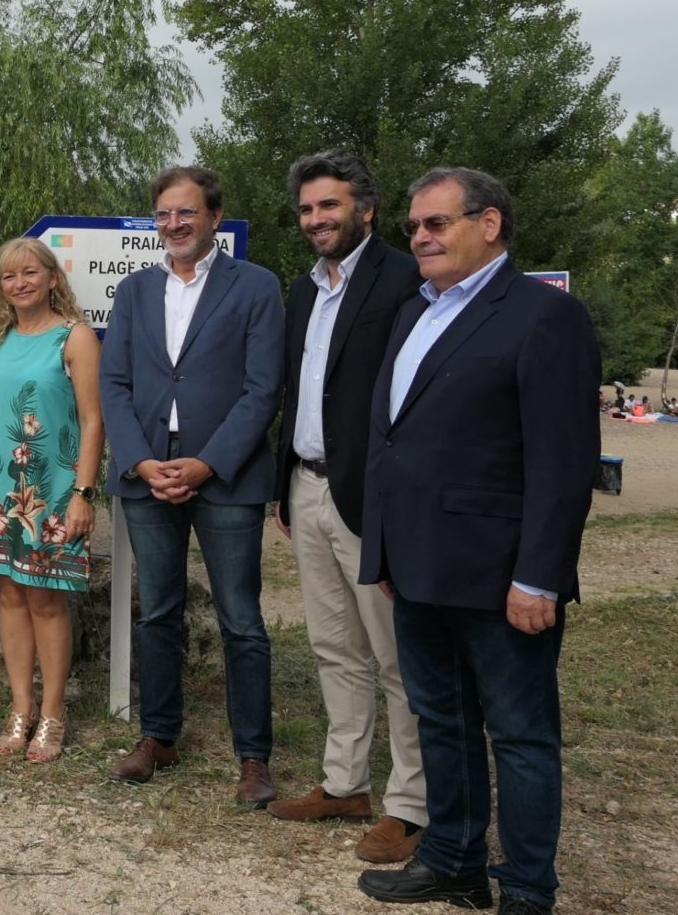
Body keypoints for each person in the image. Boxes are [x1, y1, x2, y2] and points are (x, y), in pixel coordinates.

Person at [356, 167, 599, 914]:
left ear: (489, 224)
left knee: (521, 736)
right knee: (443, 720)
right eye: (414, 227)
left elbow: (562, 461)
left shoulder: (542, 316)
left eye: (436, 224)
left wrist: (539, 577)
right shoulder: (413, 312)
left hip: (501, 574)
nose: (420, 238)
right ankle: (453, 860)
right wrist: (387, 549)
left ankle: (526, 889)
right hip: (420, 563)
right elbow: (394, 439)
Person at [99, 164, 284, 806]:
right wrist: (140, 461)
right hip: (148, 469)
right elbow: (114, 384)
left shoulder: (256, 286)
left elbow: (264, 389)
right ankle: (159, 737)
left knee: (241, 620)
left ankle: (254, 757)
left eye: (186, 213)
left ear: (213, 216)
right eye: (163, 214)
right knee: (158, 611)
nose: (174, 224)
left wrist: (209, 462)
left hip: (226, 474)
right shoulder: (133, 291)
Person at [267, 151, 427, 861]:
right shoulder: (304, 289)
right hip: (307, 485)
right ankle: (344, 783)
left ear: (366, 208)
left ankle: (414, 805)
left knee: (398, 655)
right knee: (335, 647)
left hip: (373, 495)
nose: (316, 220)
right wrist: (284, 483)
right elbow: (300, 390)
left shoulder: (407, 280)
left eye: (328, 206)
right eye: (306, 209)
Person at [0, 237, 104, 763]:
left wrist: (84, 492)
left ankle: (54, 713)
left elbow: (92, 421)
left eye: (30, 273)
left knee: (45, 597)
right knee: (8, 596)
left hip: (50, 489)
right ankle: (22, 707)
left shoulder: (75, 338)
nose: (20, 283)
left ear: (52, 277)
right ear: (0, 287)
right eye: (9, 276)